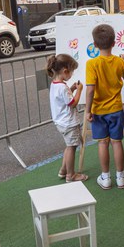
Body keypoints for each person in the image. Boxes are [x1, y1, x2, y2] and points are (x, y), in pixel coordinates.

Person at [85, 24, 124, 190]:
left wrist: (88, 110)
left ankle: (105, 178)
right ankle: (120, 177)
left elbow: (90, 90)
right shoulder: (119, 61)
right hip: (116, 109)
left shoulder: (91, 64)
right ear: (113, 43)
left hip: (98, 110)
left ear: (95, 44)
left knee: (102, 143)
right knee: (117, 142)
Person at [47, 54, 88, 182]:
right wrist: (80, 90)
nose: (72, 75)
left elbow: (64, 99)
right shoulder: (63, 88)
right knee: (71, 147)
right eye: (72, 72)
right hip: (69, 123)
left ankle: (63, 170)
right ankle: (71, 175)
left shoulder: (56, 84)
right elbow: (72, 103)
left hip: (61, 122)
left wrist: (72, 88)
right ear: (65, 71)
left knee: (68, 145)